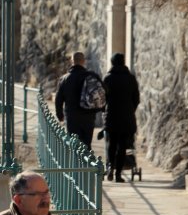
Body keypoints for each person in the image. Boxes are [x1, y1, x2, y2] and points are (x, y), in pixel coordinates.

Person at [103, 53, 140, 182]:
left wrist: (105, 110)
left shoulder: (108, 78)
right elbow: (136, 99)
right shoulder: (130, 78)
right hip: (126, 118)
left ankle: (109, 169)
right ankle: (118, 174)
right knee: (123, 146)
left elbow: (103, 99)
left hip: (111, 117)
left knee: (111, 144)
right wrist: (130, 110)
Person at [54, 51, 99, 149]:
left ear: (72, 61)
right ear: (84, 61)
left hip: (72, 117)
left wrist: (60, 115)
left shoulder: (64, 79)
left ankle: (76, 164)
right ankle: (86, 164)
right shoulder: (91, 76)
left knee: (74, 146)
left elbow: (58, 100)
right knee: (86, 146)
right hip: (89, 117)